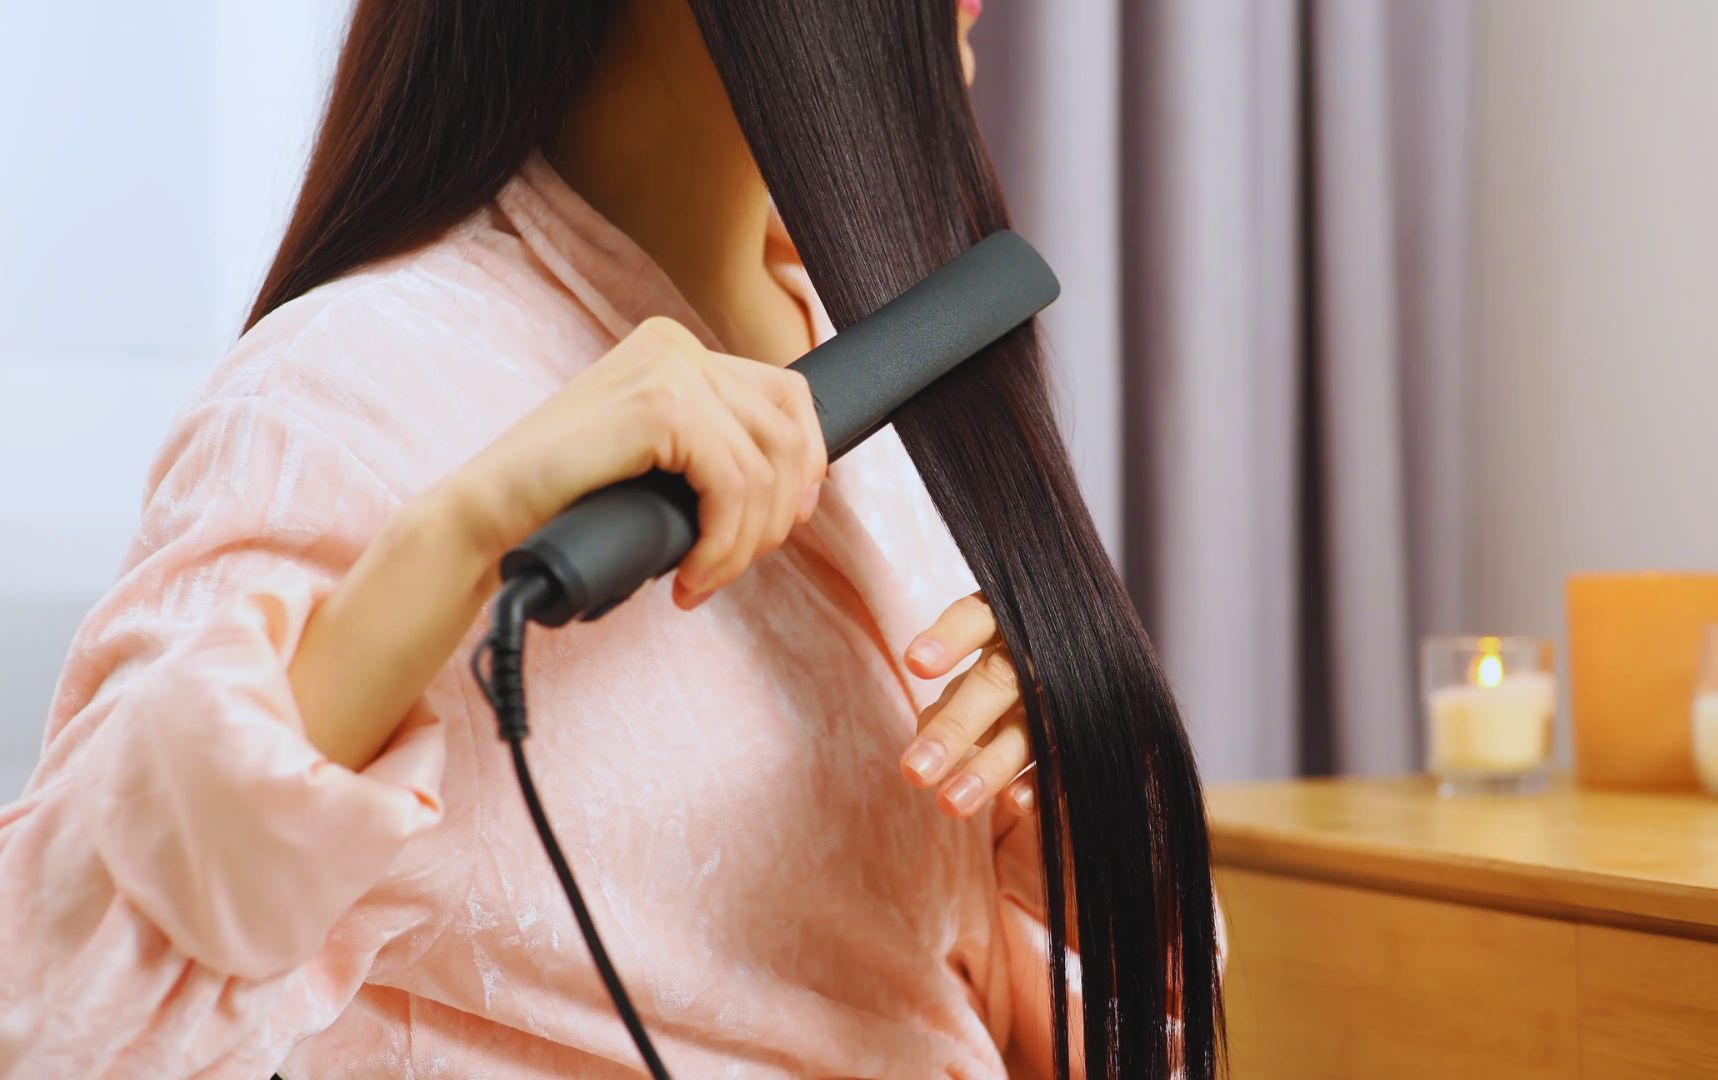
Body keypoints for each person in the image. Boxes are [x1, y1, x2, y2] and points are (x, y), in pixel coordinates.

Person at [0, 1, 1074, 1075]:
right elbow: (48, 1019)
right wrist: (453, 539)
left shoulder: (898, 388)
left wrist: (1068, 850)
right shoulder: (346, 391)